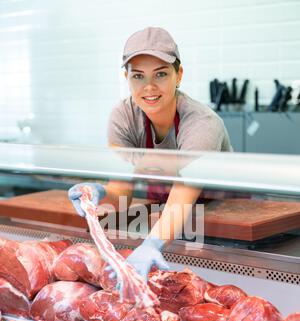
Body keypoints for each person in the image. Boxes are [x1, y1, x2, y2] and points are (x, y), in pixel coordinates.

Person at [69, 27, 232, 282]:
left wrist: (151, 245)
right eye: (138, 76)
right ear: (126, 77)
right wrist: (99, 193)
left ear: (179, 75)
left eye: (161, 74)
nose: (149, 87)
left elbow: (184, 192)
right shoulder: (124, 117)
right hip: (171, 225)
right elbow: (122, 186)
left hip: (228, 231)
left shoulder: (202, 123)